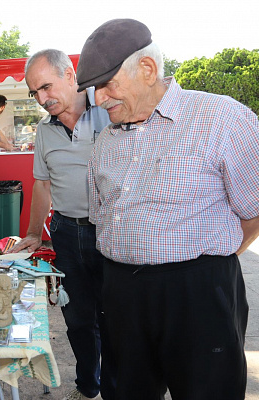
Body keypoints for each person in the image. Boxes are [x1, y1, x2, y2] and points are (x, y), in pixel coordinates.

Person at [78, 19, 259, 400]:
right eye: (93, 88)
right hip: (121, 294)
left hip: (199, 297)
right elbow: (100, 219)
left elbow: (254, 210)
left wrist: (200, 267)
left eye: (107, 84)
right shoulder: (104, 142)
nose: (98, 99)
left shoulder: (222, 119)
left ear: (147, 70)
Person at [11, 49, 115, 400]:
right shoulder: (44, 130)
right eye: (34, 92)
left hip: (113, 232)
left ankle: (118, 388)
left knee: (116, 317)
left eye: (46, 87)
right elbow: (42, 183)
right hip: (67, 235)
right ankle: (88, 385)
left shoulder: (110, 110)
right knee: (78, 318)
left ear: (71, 76)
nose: (42, 99)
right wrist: (32, 232)